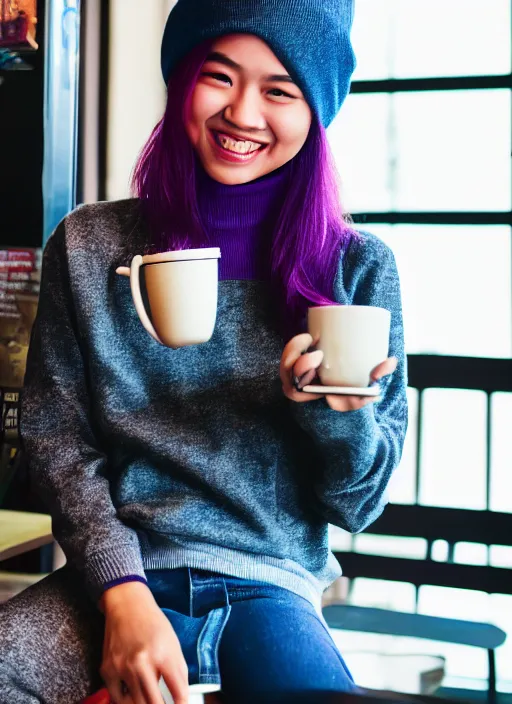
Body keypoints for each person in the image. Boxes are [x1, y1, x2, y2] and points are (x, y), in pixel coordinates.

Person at [0, 1, 408, 703]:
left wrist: (331, 413)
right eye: (218, 76)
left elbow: (359, 504)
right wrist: (124, 596)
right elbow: (56, 443)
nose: (244, 114)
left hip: (270, 586)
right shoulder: (92, 246)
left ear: (315, 112)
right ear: (181, 79)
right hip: (112, 578)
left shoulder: (356, 270)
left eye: (279, 90)